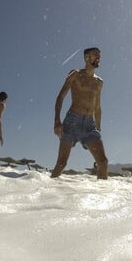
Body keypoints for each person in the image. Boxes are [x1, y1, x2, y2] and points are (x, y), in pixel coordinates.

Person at [51, 47, 108, 179]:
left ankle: (102, 196)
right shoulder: (75, 74)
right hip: (72, 121)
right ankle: (45, 194)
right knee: (61, 163)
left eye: (99, 56)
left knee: (103, 162)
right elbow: (61, 96)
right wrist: (57, 121)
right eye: (95, 55)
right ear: (86, 57)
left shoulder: (99, 82)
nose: (98, 58)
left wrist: (98, 127)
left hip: (89, 124)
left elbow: (97, 106)